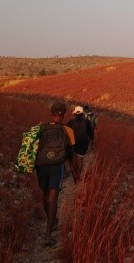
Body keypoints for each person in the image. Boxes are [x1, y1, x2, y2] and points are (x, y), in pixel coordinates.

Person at [34, 102, 78, 247]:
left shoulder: (40, 129)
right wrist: (74, 171)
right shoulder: (67, 131)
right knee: (53, 196)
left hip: (41, 167)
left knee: (45, 194)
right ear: (63, 115)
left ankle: (50, 219)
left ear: (50, 114)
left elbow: (33, 149)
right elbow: (73, 155)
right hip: (56, 166)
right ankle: (48, 233)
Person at [66, 106, 94, 178]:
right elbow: (91, 133)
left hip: (73, 142)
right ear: (82, 114)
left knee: (71, 158)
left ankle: (71, 171)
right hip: (84, 142)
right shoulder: (87, 121)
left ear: (75, 114)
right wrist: (91, 143)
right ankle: (78, 175)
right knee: (80, 160)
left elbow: (66, 132)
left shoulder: (71, 122)